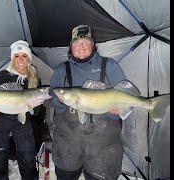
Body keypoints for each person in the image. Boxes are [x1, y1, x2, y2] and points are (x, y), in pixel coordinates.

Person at [50, 25, 129, 180]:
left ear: (92, 44)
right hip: (67, 145)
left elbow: (126, 97)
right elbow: (54, 102)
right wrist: (60, 102)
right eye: (76, 43)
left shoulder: (110, 66)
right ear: (70, 46)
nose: (81, 47)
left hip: (104, 147)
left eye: (85, 42)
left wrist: (116, 112)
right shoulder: (61, 70)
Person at [0, 40, 42, 180]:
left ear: (29, 58)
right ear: (12, 58)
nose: (20, 60)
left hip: (22, 124)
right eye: (16, 56)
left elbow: (36, 112)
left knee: (28, 160)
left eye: (24, 55)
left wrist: (35, 106)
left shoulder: (34, 78)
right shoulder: (1, 76)